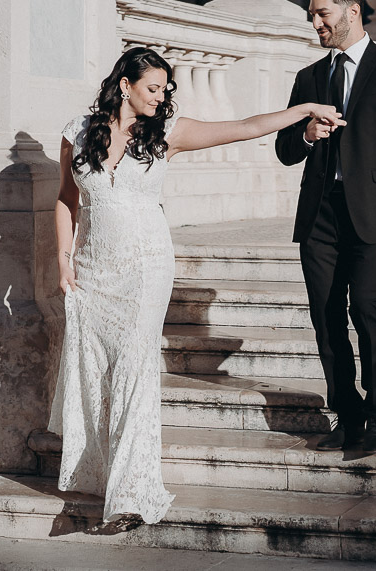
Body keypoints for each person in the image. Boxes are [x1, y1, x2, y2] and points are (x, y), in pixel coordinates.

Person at [47, 47, 343, 529]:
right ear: (125, 85)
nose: (160, 97)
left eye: (165, 89)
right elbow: (64, 199)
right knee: (96, 369)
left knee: (135, 370)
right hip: (93, 269)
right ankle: (102, 475)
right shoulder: (77, 131)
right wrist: (62, 262)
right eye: (152, 88)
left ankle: (132, 495)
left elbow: (245, 126)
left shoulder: (167, 130)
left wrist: (304, 110)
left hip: (145, 266)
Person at [275, 0, 376, 454]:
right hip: (320, 215)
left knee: (366, 309)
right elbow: (284, 148)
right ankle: (346, 415)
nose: (316, 23)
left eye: (323, 14)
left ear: (352, 11)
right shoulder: (309, 77)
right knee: (326, 318)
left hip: (374, 215)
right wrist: (307, 135)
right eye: (313, 16)